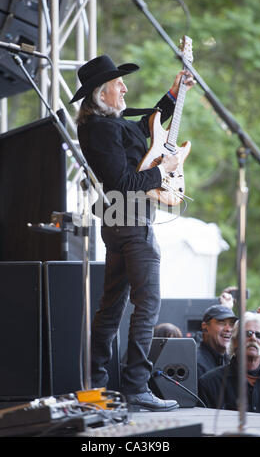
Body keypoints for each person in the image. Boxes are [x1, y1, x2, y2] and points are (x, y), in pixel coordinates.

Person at [70, 54, 195, 411]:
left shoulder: (108, 124)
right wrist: (164, 171)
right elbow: (122, 181)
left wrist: (173, 94)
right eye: (118, 83)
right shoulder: (101, 128)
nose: (125, 87)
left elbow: (145, 129)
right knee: (147, 302)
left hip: (118, 221)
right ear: (100, 93)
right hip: (130, 221)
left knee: (111, 306)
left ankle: (95, 384)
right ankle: (136, 386)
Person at [198, 311, 260, 414]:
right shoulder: (209, 383)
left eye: (259, 335)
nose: (253, 338)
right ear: (234, 341)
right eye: (247, 334)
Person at [197, 304, 238, 380]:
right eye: (221, 323)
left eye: (232, 324)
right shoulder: (195, 363)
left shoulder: (232, 360)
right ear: (205, 326)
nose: (228, 329)